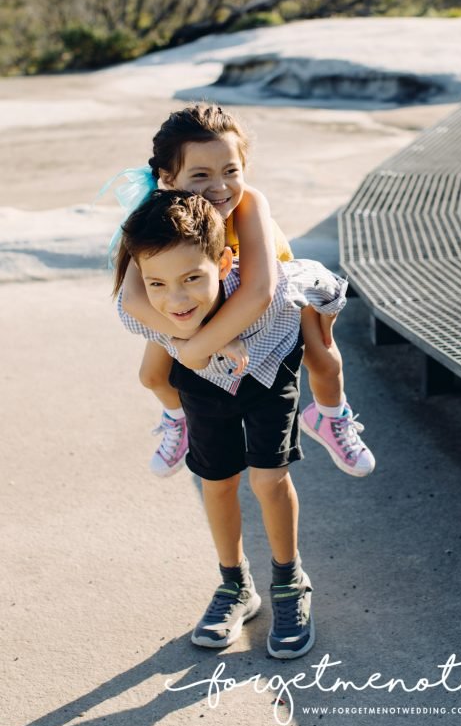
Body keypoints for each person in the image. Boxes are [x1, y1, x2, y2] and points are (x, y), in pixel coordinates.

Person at [114, 188, 348, 656]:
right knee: (216, 482)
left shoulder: (267, 285)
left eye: (191, 278)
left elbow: (324, 283)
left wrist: (326, 326)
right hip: (202, 386)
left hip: (267, 378)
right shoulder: (145, 309)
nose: (176, 299)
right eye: (157, 283)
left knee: (269, 480)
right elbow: (139, 316)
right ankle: (236, 584)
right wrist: (201, 341)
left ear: (222, 264)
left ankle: (289, 580)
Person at [116, 104, 374, 480]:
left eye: (230, 171)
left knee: (322, 358)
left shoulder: (249, 202)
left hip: (278, 298)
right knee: (153, 376)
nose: (219, 187)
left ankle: (329, 415)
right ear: (169, 179)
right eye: (200, 174)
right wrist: (208, 341)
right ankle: (179, 418)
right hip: (190, 302)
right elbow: (133, 299)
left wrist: (195, 348)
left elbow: (260, 291)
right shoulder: (156, 215)